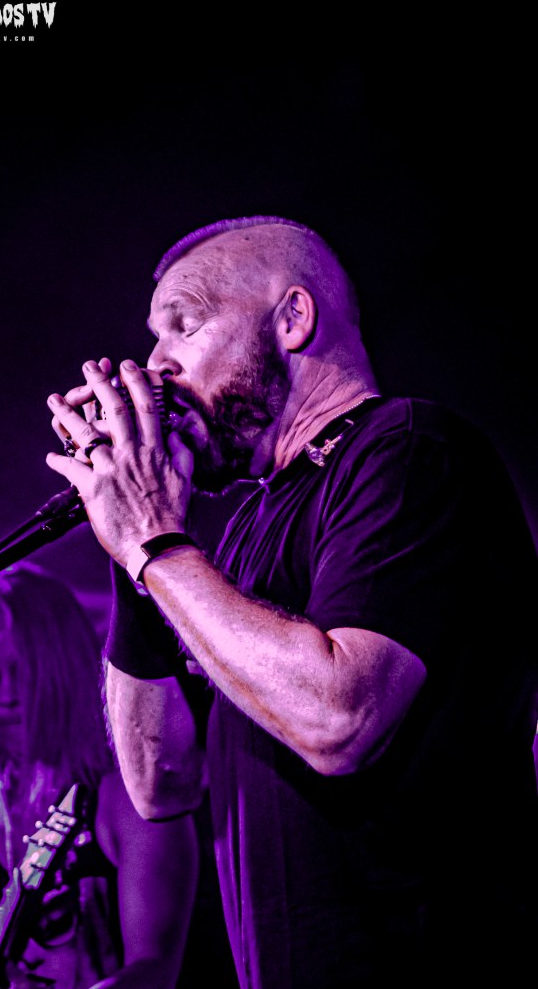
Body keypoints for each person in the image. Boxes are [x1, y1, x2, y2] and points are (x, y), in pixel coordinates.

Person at [45, 216, 538, 988]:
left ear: (293, 319)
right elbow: (159, 780)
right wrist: (131, 544)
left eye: (184, 324)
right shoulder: (241, 532)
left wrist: (153, 542)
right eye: (153, 337)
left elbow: (338, 719)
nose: (156, 363)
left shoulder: (409, 450)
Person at [0, 563, 199, 989]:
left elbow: (154, 972)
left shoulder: (130, 806)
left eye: (24, 670)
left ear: (62, 668)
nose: (7, 696)